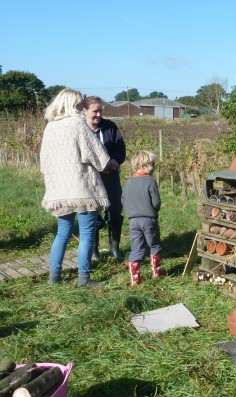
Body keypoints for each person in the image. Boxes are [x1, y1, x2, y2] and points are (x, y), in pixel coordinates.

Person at [40, 88, 110, 288]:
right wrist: (109, 163)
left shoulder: (50, 127)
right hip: (82, 189)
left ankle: (54, 278)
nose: (82, 106)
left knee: (62, 233)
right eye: (80, 102)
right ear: (72, 103)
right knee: (87, 235)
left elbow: (43, 162)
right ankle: (84, 279)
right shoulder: (78, 124)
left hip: (58, 191)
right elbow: (97, 155)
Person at [80, 96, 126, 261]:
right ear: (84, 111)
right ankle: (94, 251)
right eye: (95, 111)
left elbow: (120, 148)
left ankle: (115, 249)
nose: (98, 114)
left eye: (100, 110)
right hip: (88, 179)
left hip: (110, 177)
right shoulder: (79, 129)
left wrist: (115, 160)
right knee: (92, 213)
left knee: (114, 210)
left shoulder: (110, 127)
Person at [122, 150, 167, 285]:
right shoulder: (150, 181)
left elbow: (123, 200)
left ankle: (135, 278)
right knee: (154, 244)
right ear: (143, 165)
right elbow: (156, 202)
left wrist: (131, 211)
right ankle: (156, 271)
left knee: (136, 247)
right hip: (149, 219)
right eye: (152, 164)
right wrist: (155, 209)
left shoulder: (128, 182)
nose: (154, 167)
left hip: (133, 221)